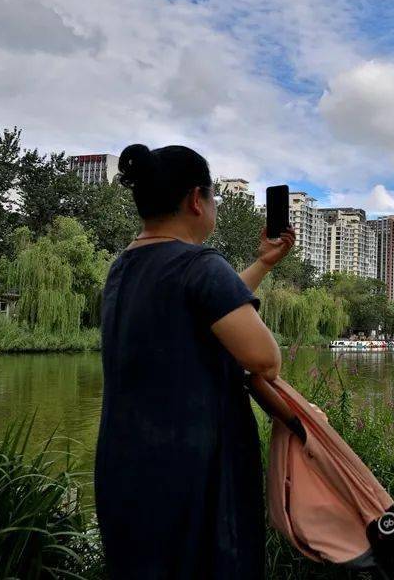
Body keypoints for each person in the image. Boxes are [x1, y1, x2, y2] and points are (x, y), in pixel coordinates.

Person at [95, 143, 299, 579]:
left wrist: (262, 265)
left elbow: (209, 310)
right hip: (195, 479)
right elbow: (265, 361)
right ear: (195, 200)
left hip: (126, 471)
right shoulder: (198, 264)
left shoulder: (124, 266)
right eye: (213, 198)